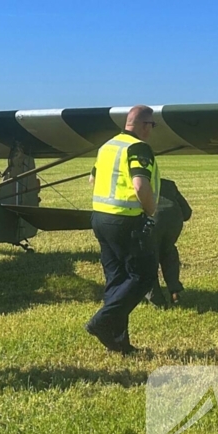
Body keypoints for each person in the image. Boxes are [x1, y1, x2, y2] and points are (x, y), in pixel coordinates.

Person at [85, 105, 161, 354]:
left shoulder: (107, 146)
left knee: (116, 281)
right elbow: (140, 186)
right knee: (144, 276)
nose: (151, 131)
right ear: (143, 125)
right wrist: (151, 212)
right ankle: (102, 321)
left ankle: (118, 343)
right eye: (151, 125)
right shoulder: (138, 148)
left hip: (100, 218)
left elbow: (92, 180)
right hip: (126, 221)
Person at [147, 178, 192, 306]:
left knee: (147, 258)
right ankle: (175, 291)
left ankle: (156, 298)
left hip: (151, 223)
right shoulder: (168, 184)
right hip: (174, 221)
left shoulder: (132, 184)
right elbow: (187, 213)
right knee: (168, 251)